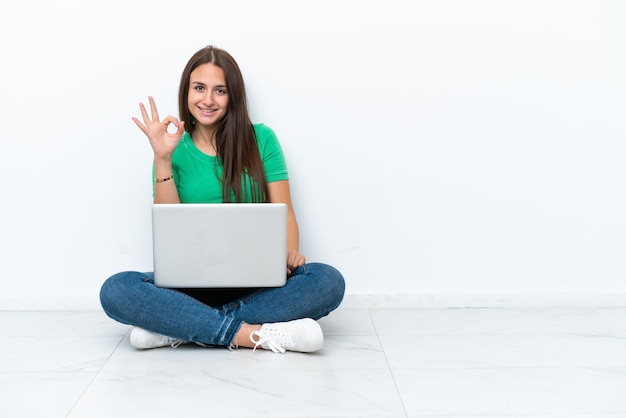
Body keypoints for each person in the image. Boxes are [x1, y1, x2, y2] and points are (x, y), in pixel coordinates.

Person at [99, 46, 345, 354]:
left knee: (327, 281)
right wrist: (162, 159)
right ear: (186, 92)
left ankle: (181, 327)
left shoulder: (262, 139)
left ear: (233, 97)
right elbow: (169, 230)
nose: (207, 100)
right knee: (116, 289)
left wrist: (289, 252)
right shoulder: (171, 151)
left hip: (259, 283)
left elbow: (286, 214)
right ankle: (251, 334)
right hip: (189, 288)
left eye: (220, 91)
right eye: (199, 88)